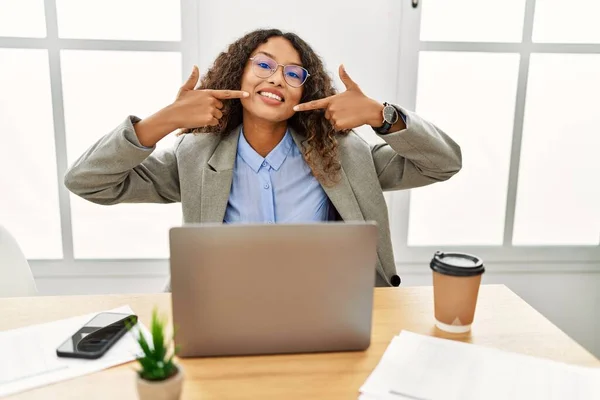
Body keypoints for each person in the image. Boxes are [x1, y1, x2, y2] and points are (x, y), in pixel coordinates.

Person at [64, 28, 462, 289]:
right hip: (223, 310)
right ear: (239, 74)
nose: (276, 79)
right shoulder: (195, 157)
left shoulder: (343, 154)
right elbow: (87, 181)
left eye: (293, 73)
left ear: (305, 92)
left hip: (327, 308)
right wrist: (163, 121)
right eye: (265, 65)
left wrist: (381, 115)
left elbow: (442, 163)